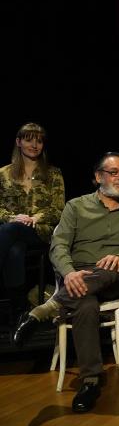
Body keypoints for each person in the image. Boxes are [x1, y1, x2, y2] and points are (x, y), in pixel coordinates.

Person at [14, 152, 119, 413]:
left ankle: (44, 310)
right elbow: (58, 244)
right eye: (114, 172)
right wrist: (69, 273)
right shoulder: (76, 206)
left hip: (115, 277)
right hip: (79, 279)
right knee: (86, 305)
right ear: (98, 177)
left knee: (110, 268)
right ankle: (91, 381)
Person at [0, 122, 64, 311]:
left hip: (41, 232)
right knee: (14, 251)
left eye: (39, 141)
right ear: (18, 142)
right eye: (29, 140)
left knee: (9, 230)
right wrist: (13, 217)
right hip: (12, 231)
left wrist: (37, 218)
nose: (34, 145)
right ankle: (19, 310)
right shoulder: (3, 174)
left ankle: (18, 311)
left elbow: (59, 209)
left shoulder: (53, 174)